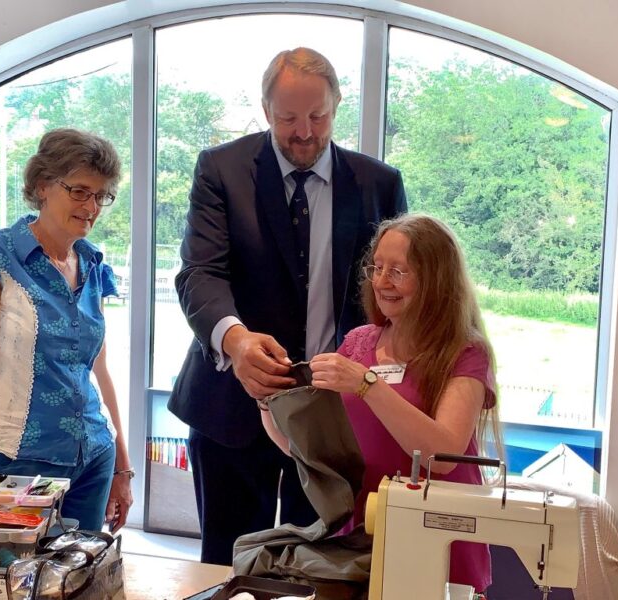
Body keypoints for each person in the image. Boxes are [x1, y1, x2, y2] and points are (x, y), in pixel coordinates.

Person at [168, 47, 407, 565]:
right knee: (229, 567)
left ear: (338, 106)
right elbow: (199, 272)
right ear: (264, 108)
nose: (304, 132)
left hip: (336, 416)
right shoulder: (221, 169)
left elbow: (397, 296)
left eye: (318, 116)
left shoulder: (378, 183)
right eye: (288, 118)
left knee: (328, 568)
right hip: (232, 405)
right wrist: (236, 341)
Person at [262, 213, 502, 592]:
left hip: (437, 535)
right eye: (377, 267)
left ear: (436, 280)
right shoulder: (358, 342)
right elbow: (314, 454)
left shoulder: (465, 352)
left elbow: (443, 456)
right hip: (359, 535)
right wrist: (267, 400)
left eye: (399, 271)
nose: (382, 281)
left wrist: (367, 384)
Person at [0, 128, 134, 532]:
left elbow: (98, 372)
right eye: (80, 191)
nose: (92, 206)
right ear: (43, 186)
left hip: (92, 459)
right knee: (4, 585)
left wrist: (122, 466)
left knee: (75, 583)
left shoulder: (92, 263)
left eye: (101, 195)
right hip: (14, 464)